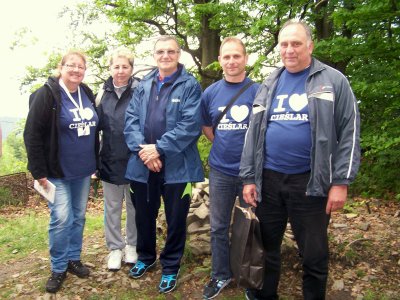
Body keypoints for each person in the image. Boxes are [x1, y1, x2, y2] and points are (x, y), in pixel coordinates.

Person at [239, 20, 360, 300]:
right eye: (284, 44)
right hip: (268, 180)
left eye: (296, 43)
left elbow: (350, 132)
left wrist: (340, 181)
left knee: (314, 255)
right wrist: (248, 177)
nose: (289, 50)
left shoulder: (332, 80)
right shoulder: (270, 82)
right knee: (266, 249)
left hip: (312, 183)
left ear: (310, 45)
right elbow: (252, 133)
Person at [124, 35, 204, 293]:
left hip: (178, 167)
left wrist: (158, 149)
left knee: (176, 219)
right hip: (142, 165)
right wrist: (146, 153)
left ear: (179, 54)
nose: (165, 56)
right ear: (154, 55)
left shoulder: (190, 85)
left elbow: (190, 126)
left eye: (171, 51)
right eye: (160, 52)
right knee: (143, 217)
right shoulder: (143, 85)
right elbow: (131, 122)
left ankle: (170, 266)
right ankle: (146, 258)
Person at [24, 50, 98, 293]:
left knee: (78, 217)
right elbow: (32, 134)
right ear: (61, 67)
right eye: (71, 65)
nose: (76, 70)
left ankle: (73, 259)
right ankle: (58, 268)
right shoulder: (47, 94)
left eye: (80, 66)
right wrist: (38, 170)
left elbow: (96, 128)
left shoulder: (86, 92)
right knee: (61, 218)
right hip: (56, 172)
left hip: (83, 170)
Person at [201, 37, 259, 299]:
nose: (231, 61)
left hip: (251, 173)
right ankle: (221, 274)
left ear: (245, 59)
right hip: (221, 171)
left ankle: (248, 277)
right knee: (218, 226)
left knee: (249, 226)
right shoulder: (211, 93)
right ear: (220, 60)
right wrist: (225, 144)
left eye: (236, 56)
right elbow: (206, 128)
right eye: (226, 57)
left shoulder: (259, 90)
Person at [96, 48, 140, 271]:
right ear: (110, 68)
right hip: (110, 159)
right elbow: (95, 131)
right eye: (116, 66)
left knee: (134, 207)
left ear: (131, 68)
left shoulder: (141, 90)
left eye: (125, 66)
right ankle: (115, 248)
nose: (120, 71)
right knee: (112, 207)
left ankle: (132, 245)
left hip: (136, 160)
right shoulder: (101, 94)